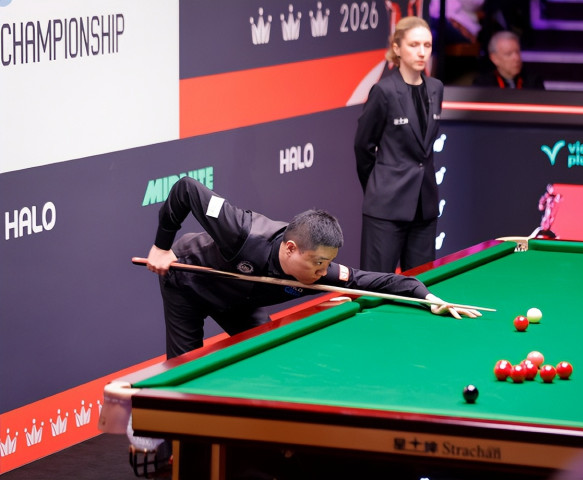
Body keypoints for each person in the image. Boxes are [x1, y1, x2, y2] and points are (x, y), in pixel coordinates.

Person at [146, 177, 479, 359]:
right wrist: (161, 247)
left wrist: (426, 297)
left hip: (240, 302)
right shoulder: (240, 233)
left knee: (270, 353)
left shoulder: (319, 270)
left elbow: (376, 281)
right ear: (291, 249)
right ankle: (164, 445)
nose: (324, 271)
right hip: (188, 280)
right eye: (318, 263)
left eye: (328, 263)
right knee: (182, 370)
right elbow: (186, 188)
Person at [354, 16, 444, 273]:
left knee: (422, 283)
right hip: (386, 207)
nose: (422, 52)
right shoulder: (383, 91)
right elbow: (363, 146)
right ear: (397, 48)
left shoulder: (436, 88)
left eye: (427, 45)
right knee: (377, 283)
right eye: (414, 45)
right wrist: (378, 185)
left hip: (425, 207)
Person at [472, 30, 544, 89]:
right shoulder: (483, 85)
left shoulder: (534, 82)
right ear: (494, 58)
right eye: (509, 54)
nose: (516, 58)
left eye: (517, 52)